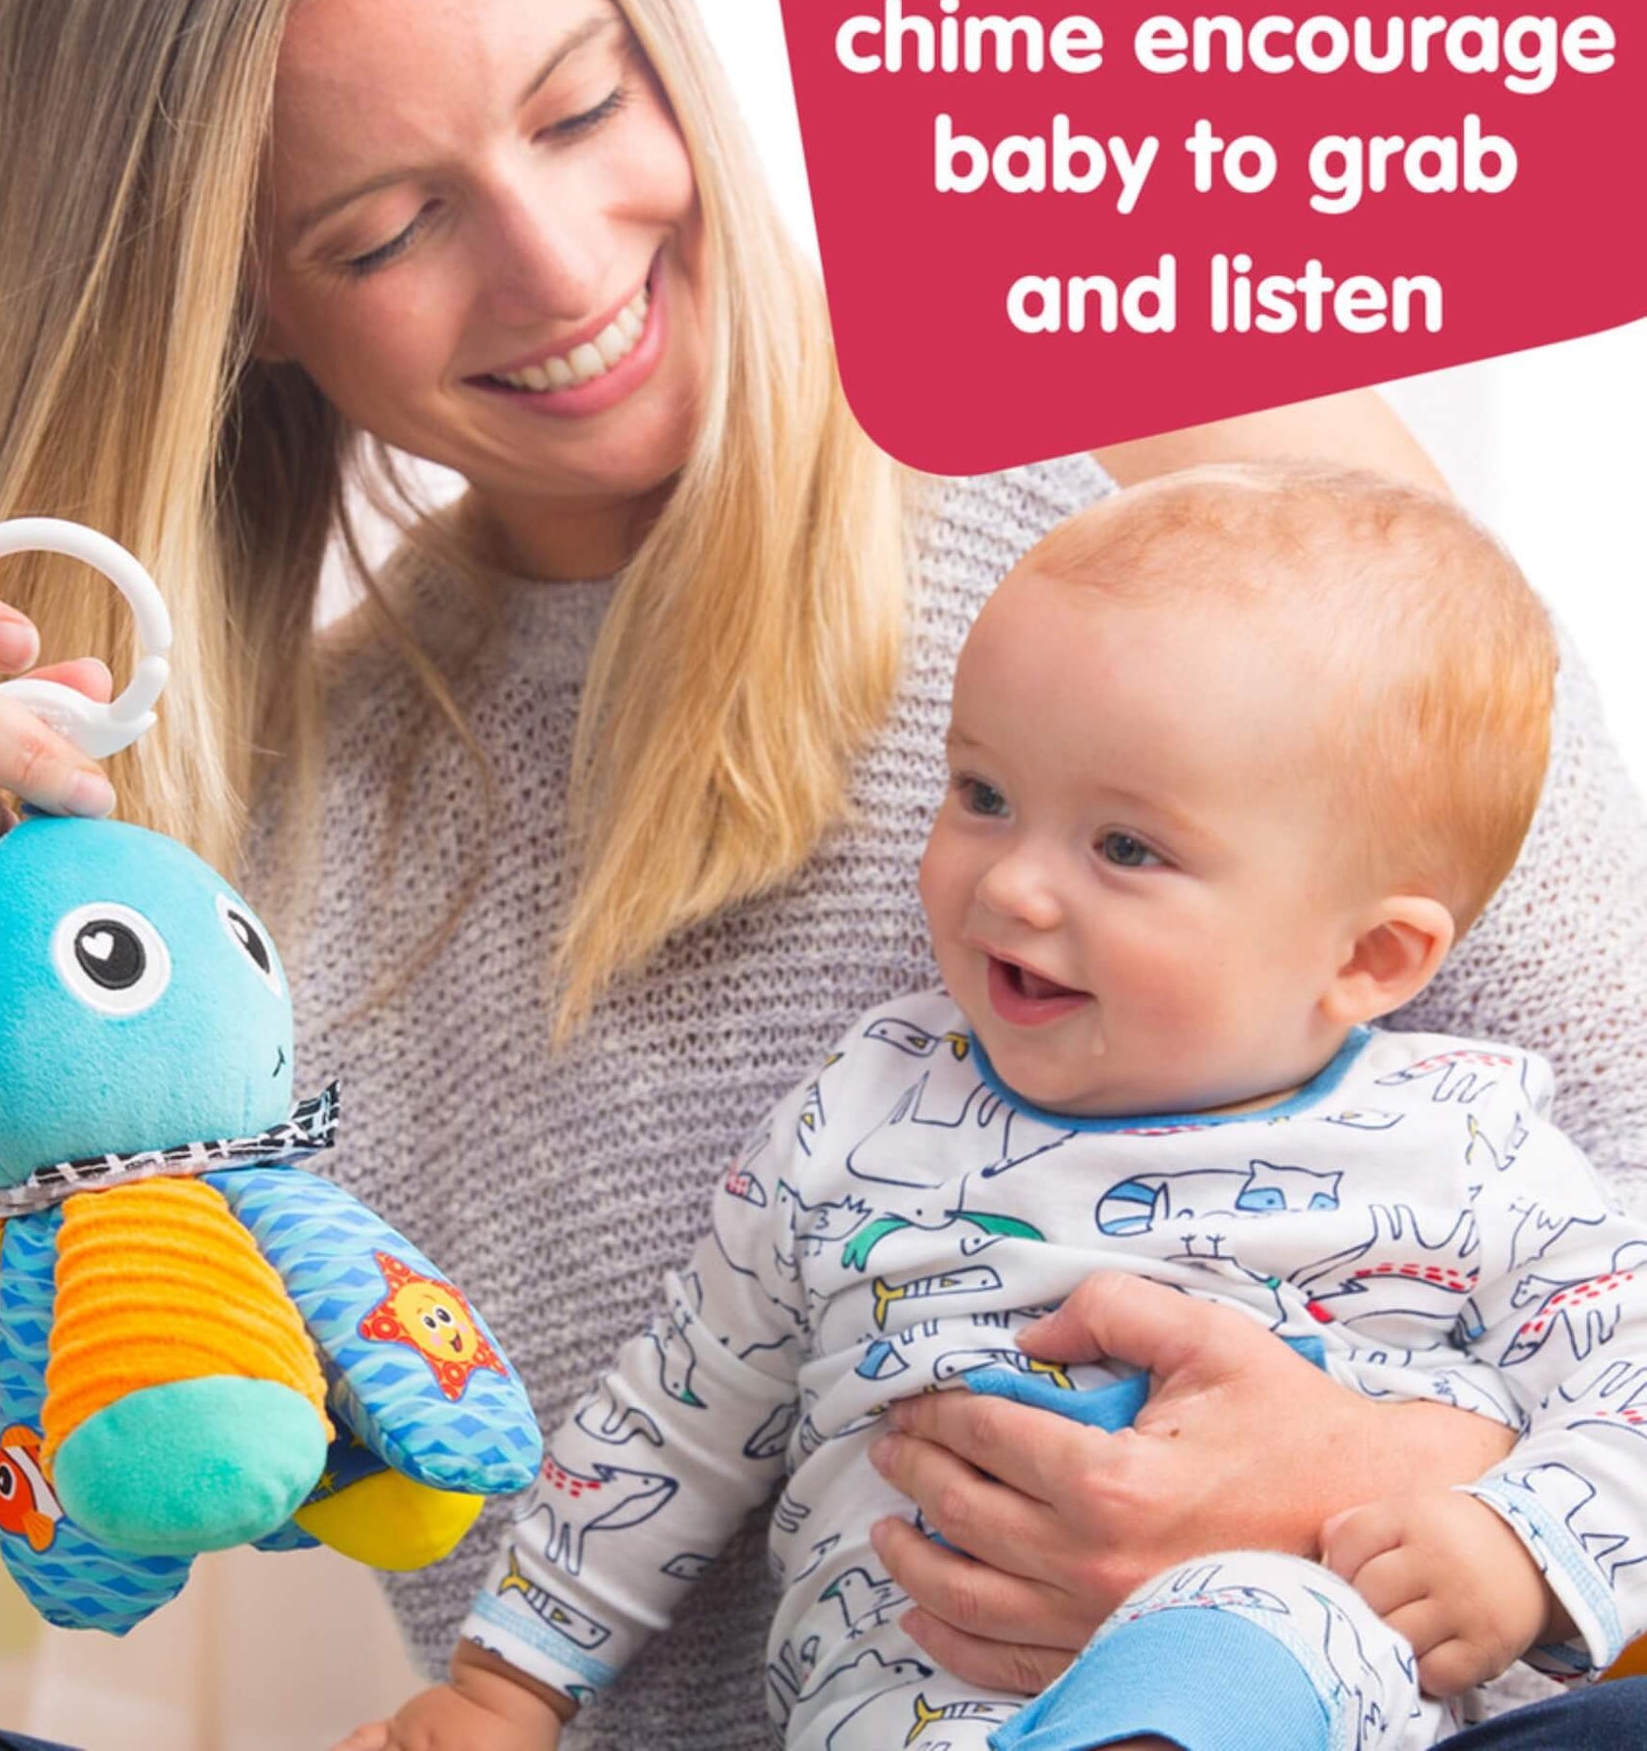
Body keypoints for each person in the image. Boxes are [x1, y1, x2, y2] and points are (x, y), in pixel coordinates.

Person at [0, 0, 1640, 1748]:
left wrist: (1390, 1490)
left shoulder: (1176, 485)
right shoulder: (246, 837)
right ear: (234, 309)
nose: (558, 269)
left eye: (578, 110)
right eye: (382, 230)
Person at [357, 469, 1647, 1751]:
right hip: (904, 1705)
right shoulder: (863, 1113)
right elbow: (675, 1418)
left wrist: (1519, 1547)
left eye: (1126, 849)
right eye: (982, 795)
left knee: (1261, 1616)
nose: (1013, 885)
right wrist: (505, 1686)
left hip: (1283, 1674)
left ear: (1367, 961)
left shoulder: (1468, 1151)